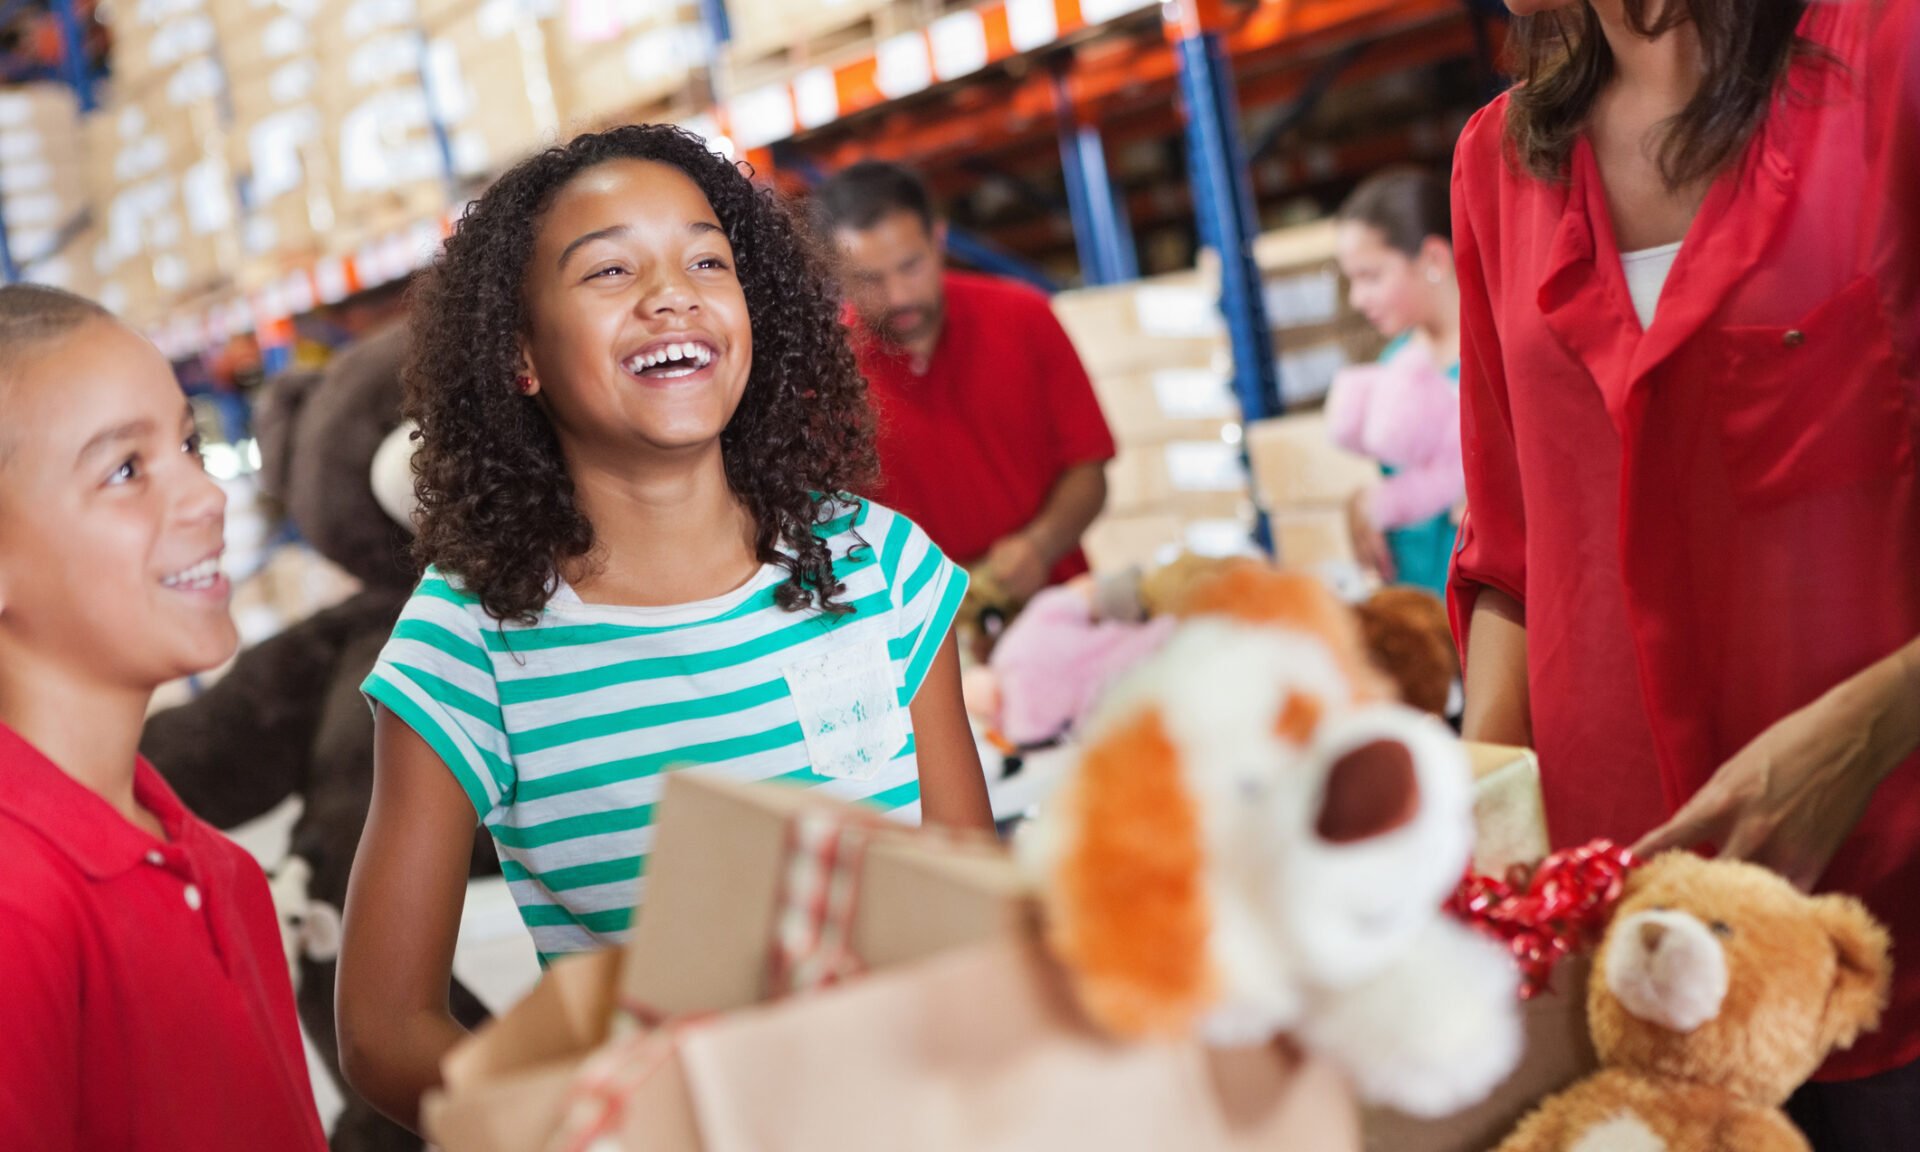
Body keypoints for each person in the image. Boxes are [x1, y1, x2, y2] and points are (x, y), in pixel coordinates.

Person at [337, 125, 995, 1132]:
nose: (671, 293)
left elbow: (975, 908)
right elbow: (384, 1030)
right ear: (520, 354)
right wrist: (590, 1126)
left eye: (706, 261)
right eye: (608, 269)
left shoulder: (881, 564)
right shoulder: (468, 641)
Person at [1450, 0, 1920, 1145]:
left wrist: (1863, 733)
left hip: (1881, 913)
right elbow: (1511, 550)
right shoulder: (1496, 164)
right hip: (1632, 953)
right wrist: (1481, 851)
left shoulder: (1890, 59)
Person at [0, 285, 328, 1151]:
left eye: (188, 443)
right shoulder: (17, 910)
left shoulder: (219, 870)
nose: (204, 496)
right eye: (125, 470)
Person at [816, 161, 1116, 603]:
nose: (898, 295)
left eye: (910, 266)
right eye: (869, 279)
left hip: (1060, 608)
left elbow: (1089, 471)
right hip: (917, 644)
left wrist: (1041, 545)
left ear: (938, 240)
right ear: (836, 276)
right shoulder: (822, 380)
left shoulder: (1025, 317)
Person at [1325, 166, 1465, 595]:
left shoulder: (1502, 354)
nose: (1356, 299)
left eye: (1371, 276)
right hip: (1424, 610)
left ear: (1435, 259)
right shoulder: (1392, 365)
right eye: (1351, 280)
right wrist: (1362, 507)